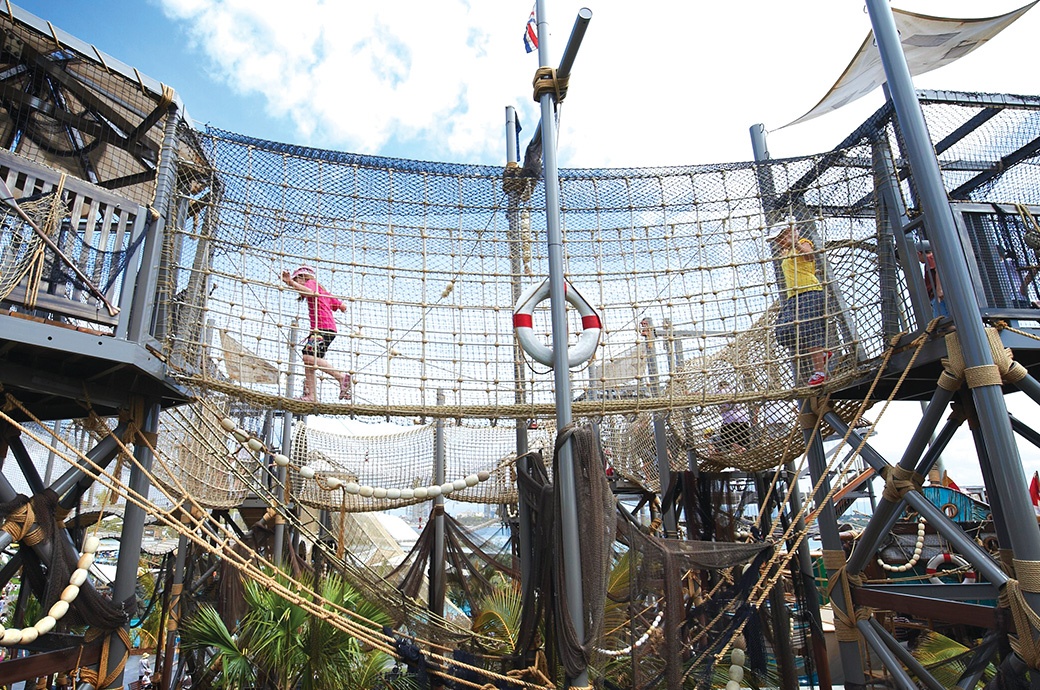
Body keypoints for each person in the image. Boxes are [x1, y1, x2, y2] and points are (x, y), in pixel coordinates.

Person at [280, 265, 354, 402]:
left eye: (297, 280)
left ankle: (341, 377)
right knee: (310, 362)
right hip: (327, 329)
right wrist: (342, 307)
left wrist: (290, 282)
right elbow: (340, 305)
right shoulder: (323, 291)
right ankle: (311, 395)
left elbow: (308, 291)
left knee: (308, 357)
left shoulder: (311, 283)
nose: (296, 285)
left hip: (322, 329)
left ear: (303, 277)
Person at [771, 220, 830, 387]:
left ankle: (819, 371)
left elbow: (809, 255)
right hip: (794, 298)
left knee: (809, 331)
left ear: (787, 234)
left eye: (779, 237)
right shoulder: (786, 252)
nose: (777, 241)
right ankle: (822, 353)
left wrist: (795, 242)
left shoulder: (803, 243)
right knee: (783, 331)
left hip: (810, 292)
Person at [916, 240, 949, 319]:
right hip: (934, 295)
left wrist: (939, 290)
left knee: (941, 320)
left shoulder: (930, 258)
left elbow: (938, 270)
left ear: (918, 254)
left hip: (937, 295)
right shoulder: (931, 260)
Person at [717, 381, 752, 453]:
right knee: (744, 440)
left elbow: (711, 396)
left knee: (725, 439)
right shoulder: (735, 391)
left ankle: (738, 448)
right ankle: (743, 449)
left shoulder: (721, 392)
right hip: (743, 419)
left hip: (730, 421)